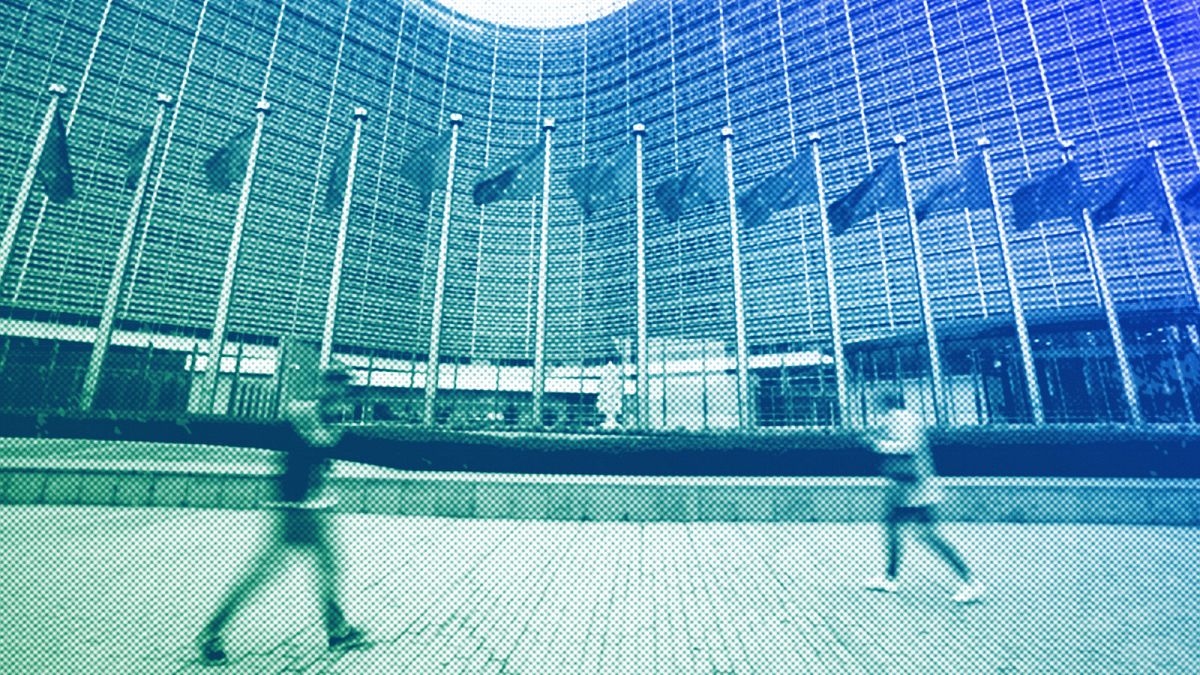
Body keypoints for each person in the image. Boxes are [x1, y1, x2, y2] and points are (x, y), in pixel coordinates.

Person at [196, 365, 367, 665]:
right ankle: (211, 631)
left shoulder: (327, 415)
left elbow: (321, 454)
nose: (342, 395)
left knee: (325, 566)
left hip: (308, 506)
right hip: (292, 507)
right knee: (263, 574)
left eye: (345, 389)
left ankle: (337, 628)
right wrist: (335, 433)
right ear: (326, 386)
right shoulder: (306, 410)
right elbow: (317, 439)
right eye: (338, 387)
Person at [863, 390, 983, 603]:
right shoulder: (898, 419)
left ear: (886, 402)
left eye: (877, 402)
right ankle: (890, 578)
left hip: (915, 488)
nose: (875, 407)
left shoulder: (903, 420)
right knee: (893, 527)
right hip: (906, 486)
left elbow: (908, 448)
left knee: (928, 535)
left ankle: (971, 582)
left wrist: (878, 445)